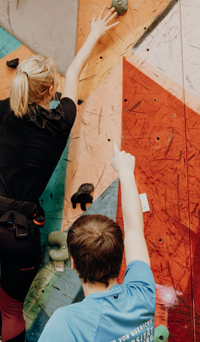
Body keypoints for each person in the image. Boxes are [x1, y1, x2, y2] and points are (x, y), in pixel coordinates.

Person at [0, 8, 119, 342]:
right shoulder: (63, 121)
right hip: (24, 238)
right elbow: (74, 71)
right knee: (13, 311)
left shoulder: (7, 111)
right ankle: (5, 329)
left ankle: (0, 330)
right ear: (50, 91)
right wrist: (93, 33)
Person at [38, 143, 156, 342]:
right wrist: (126, 173)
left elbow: (134, 231)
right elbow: (134, 230)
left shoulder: (66, 322)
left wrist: (126, 173)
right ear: (120, 258)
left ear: (73, 262)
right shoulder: (142, 294)